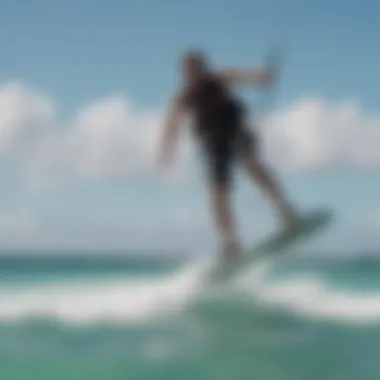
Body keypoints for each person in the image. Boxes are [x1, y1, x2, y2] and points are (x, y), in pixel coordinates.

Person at [157, 50, 297, 260]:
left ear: (202, 66)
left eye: (197, 66)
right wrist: (167, 151)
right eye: (189, 69)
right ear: (184, 72)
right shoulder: (183, 96)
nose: (194, 72)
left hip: (234, 131)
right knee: (217, 194)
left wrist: (261, 77)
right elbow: (172, 125)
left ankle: (285, 211)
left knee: (254, 166)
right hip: (213, 144)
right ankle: (230, 243)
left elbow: (242, 75)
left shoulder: (218, 78)